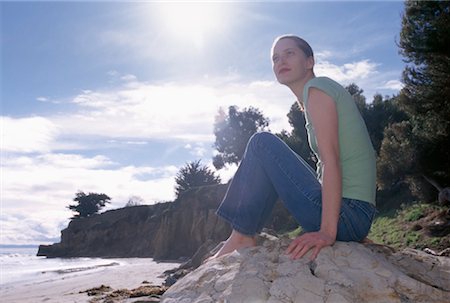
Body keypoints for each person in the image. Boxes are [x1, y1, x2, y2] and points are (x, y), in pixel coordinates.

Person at [212, 34, 377, 261]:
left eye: (289, 53)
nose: (281, 61)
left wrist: (328, 232)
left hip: (347, 216)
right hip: (353, 217)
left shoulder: (317, 90)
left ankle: (241, 235)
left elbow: (331, 161)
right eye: (275, 58)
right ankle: (242, 234)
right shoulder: (316, 96)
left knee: (262, 144)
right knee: (270, 154)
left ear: (309, 61)